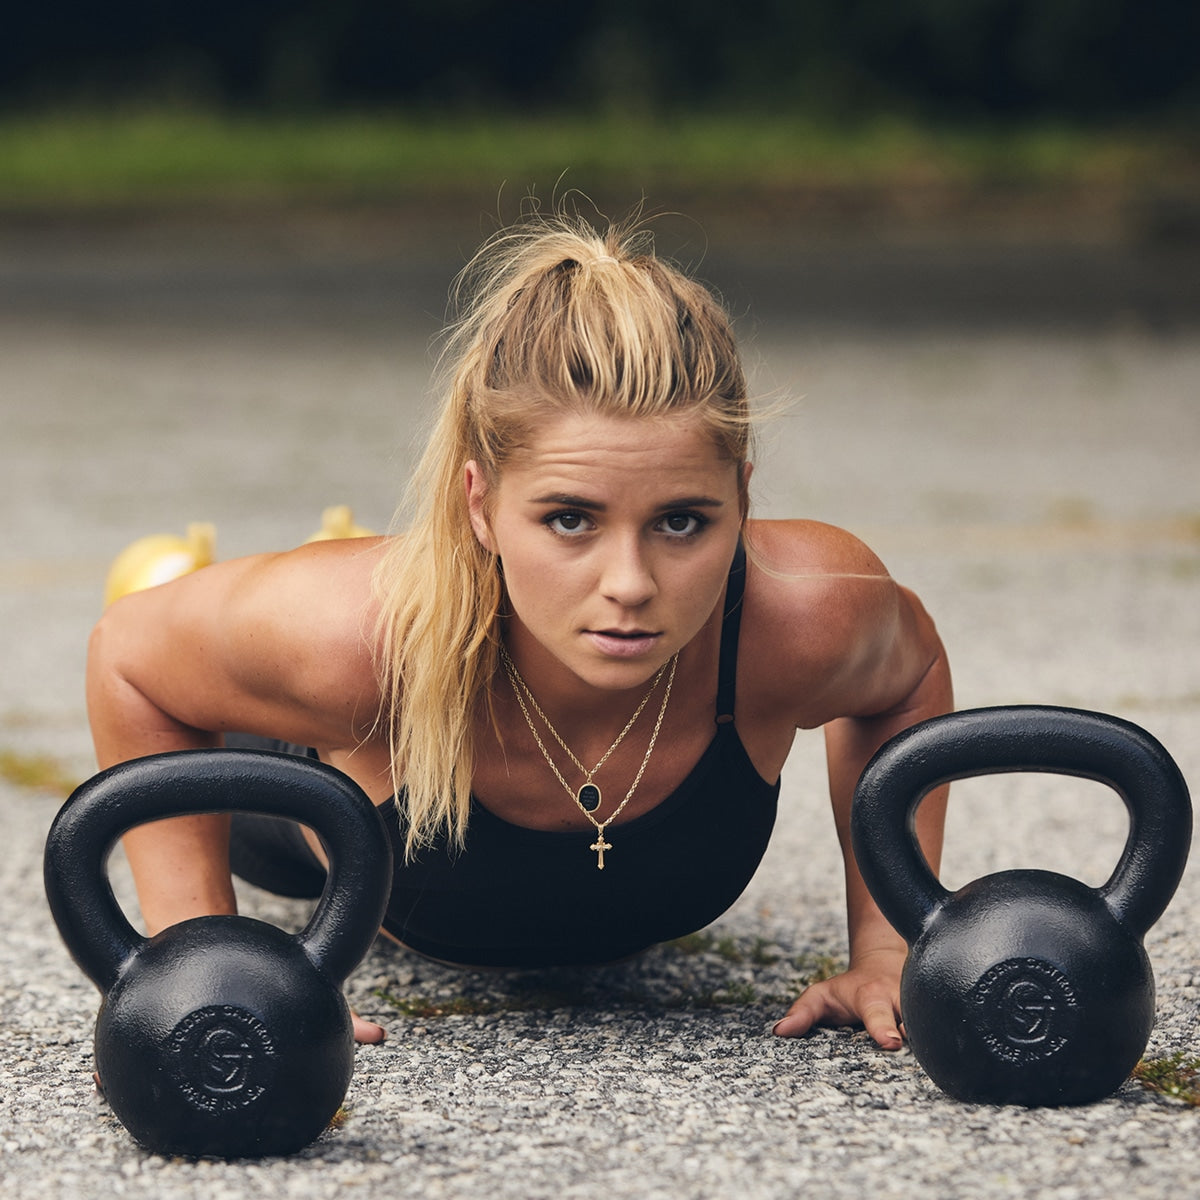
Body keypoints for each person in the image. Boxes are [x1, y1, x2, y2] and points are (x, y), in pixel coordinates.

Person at [86, 209, 951, 1051]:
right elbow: (127, 659)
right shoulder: (354, 642)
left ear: (744, 501)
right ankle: (195, 570)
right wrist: (207, 969)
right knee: (200, 610)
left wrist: (889, 948)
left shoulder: (806, 612)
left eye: (683, 522)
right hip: (304, 777)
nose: (630, 585)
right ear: (482, 506)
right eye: (570, 520)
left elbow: (908, 681)